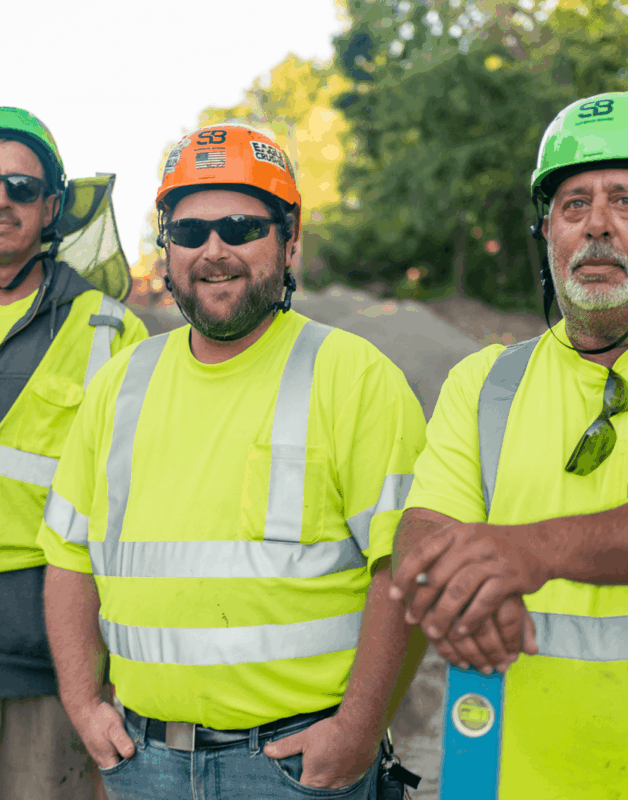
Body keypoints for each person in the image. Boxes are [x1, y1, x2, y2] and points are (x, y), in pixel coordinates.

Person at [37, 123, 428, 799]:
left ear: (289, 235)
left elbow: (407, 569)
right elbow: (69, 557)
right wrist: (82, 704)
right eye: (190, 233)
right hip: (143, 762)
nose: (213, 251)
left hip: (296, 767)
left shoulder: (353, 377)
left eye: (241, 227)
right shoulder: (121, 383)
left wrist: (359, 734)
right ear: (167, 247)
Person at [390, 91, 628, 798]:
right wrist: (450, 587)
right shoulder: (483, 381)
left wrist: (530, 552)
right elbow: (422, 535)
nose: (596, 224)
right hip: (499, 777)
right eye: (573, 205)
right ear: (547, 233)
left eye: (626, 201)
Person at [0, 106, 148, 800]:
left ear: (52, 206)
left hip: (55, 682)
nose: (0, 200)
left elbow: (134, 511)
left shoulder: (111, 332)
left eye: (23, 187)